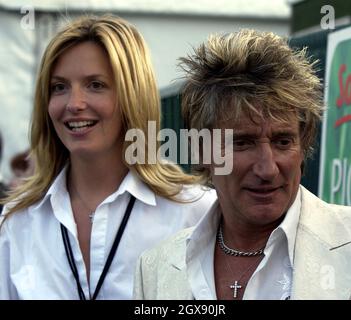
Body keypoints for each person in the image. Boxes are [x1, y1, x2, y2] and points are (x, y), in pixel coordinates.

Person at [0, 15, 216, 300]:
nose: (74, 104)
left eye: (96, 85)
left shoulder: (197, 211)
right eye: (59, 87)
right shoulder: (18, 219)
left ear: (132, 95)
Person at [133, 29, 351, 300]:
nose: (267, 169)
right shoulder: (154, 270)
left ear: (303, 144)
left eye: (283, 141)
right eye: (242, 143)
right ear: (202, 151)